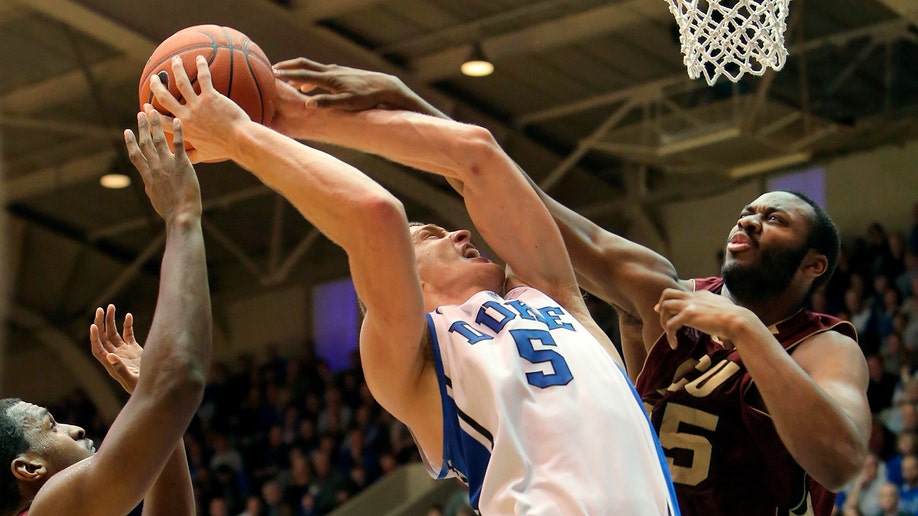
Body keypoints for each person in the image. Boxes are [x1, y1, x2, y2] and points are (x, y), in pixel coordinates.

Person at [268, 58, 871, 515]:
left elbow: (839, 461)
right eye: (749, 210)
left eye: (776, 220)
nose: (750, 221)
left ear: (814, 265)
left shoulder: (823, 346)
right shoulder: (664, 293)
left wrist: (744, 331)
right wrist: (414, 106)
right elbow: (538, 214)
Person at [148, 54, 678, 514]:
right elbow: (376, 215)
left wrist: (302, 116)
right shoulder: (415, 358)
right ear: (405, 273)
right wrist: (240, 136)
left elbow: (477, 153)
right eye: (430, 234)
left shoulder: (556, 298)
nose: (460, 230)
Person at [0, 113, 212, 514]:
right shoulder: (47, 509)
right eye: (50, 425)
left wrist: (151, 402)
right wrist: (182, 214)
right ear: (28, 468)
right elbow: (179, 379)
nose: (75, 428)